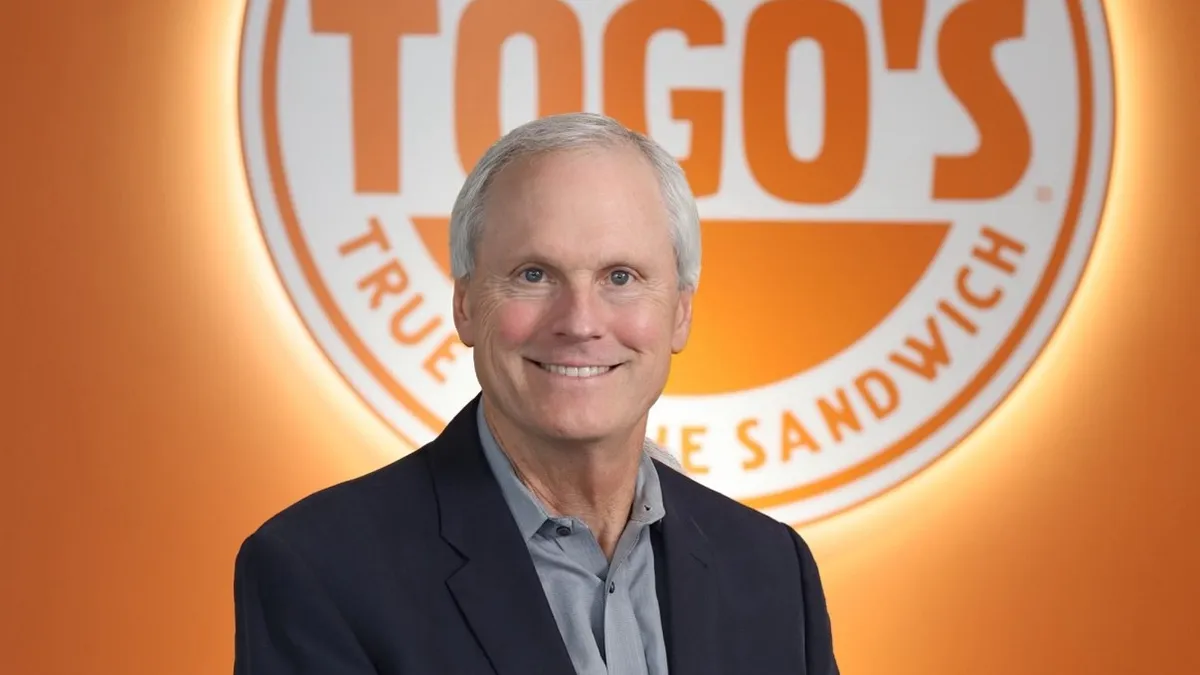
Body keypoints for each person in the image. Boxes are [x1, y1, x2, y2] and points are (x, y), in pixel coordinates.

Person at [233, 112, 839, 674]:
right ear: (466, 305)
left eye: (620, 277)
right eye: (534, 275)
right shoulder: (320, 571)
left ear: (680, 314)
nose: (579, 321)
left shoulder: (773, 568)